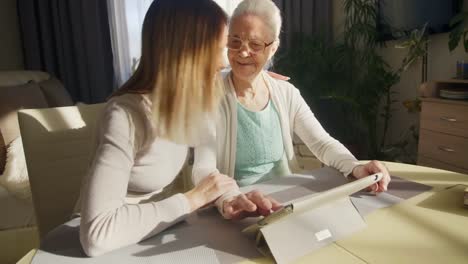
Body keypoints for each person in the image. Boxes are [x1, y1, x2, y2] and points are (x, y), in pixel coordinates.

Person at [192, 0, 391, 220]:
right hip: (237, 208)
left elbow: (321, 143)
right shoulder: (209, 94)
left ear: (273, 47)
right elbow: (203, 167)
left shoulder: (286, 93)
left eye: (255, 44)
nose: (243, 52)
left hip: (284, 204)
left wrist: (355, 168)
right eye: (235, 42)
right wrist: (230, 197)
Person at [78, 0, 240, 257]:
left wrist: (229, 199)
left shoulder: (196, 103)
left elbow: (205, 169)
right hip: (111, 244)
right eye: (218, 49)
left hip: (156, 232)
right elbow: (98, 235)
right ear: (188, 51)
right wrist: (191, 200)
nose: (224, 61)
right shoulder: (126, 116)